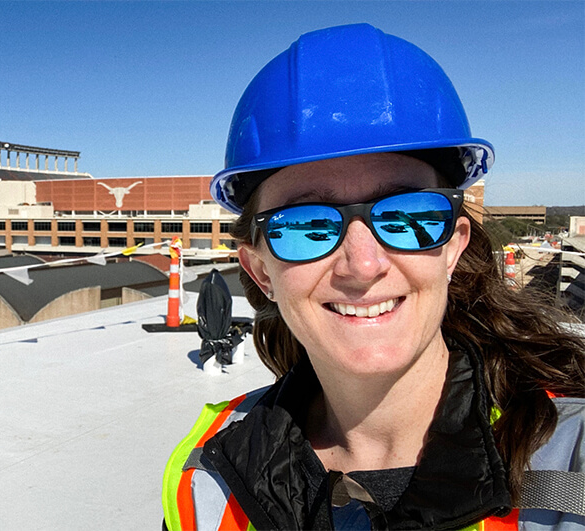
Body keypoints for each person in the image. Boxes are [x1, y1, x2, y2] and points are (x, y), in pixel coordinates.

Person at [163, 23, 585, 531]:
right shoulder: (211, 476)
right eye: (307, 225)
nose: (363, 266)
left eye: (408, 216)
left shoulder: (570, 463)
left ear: (453, 246)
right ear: (259, 271)